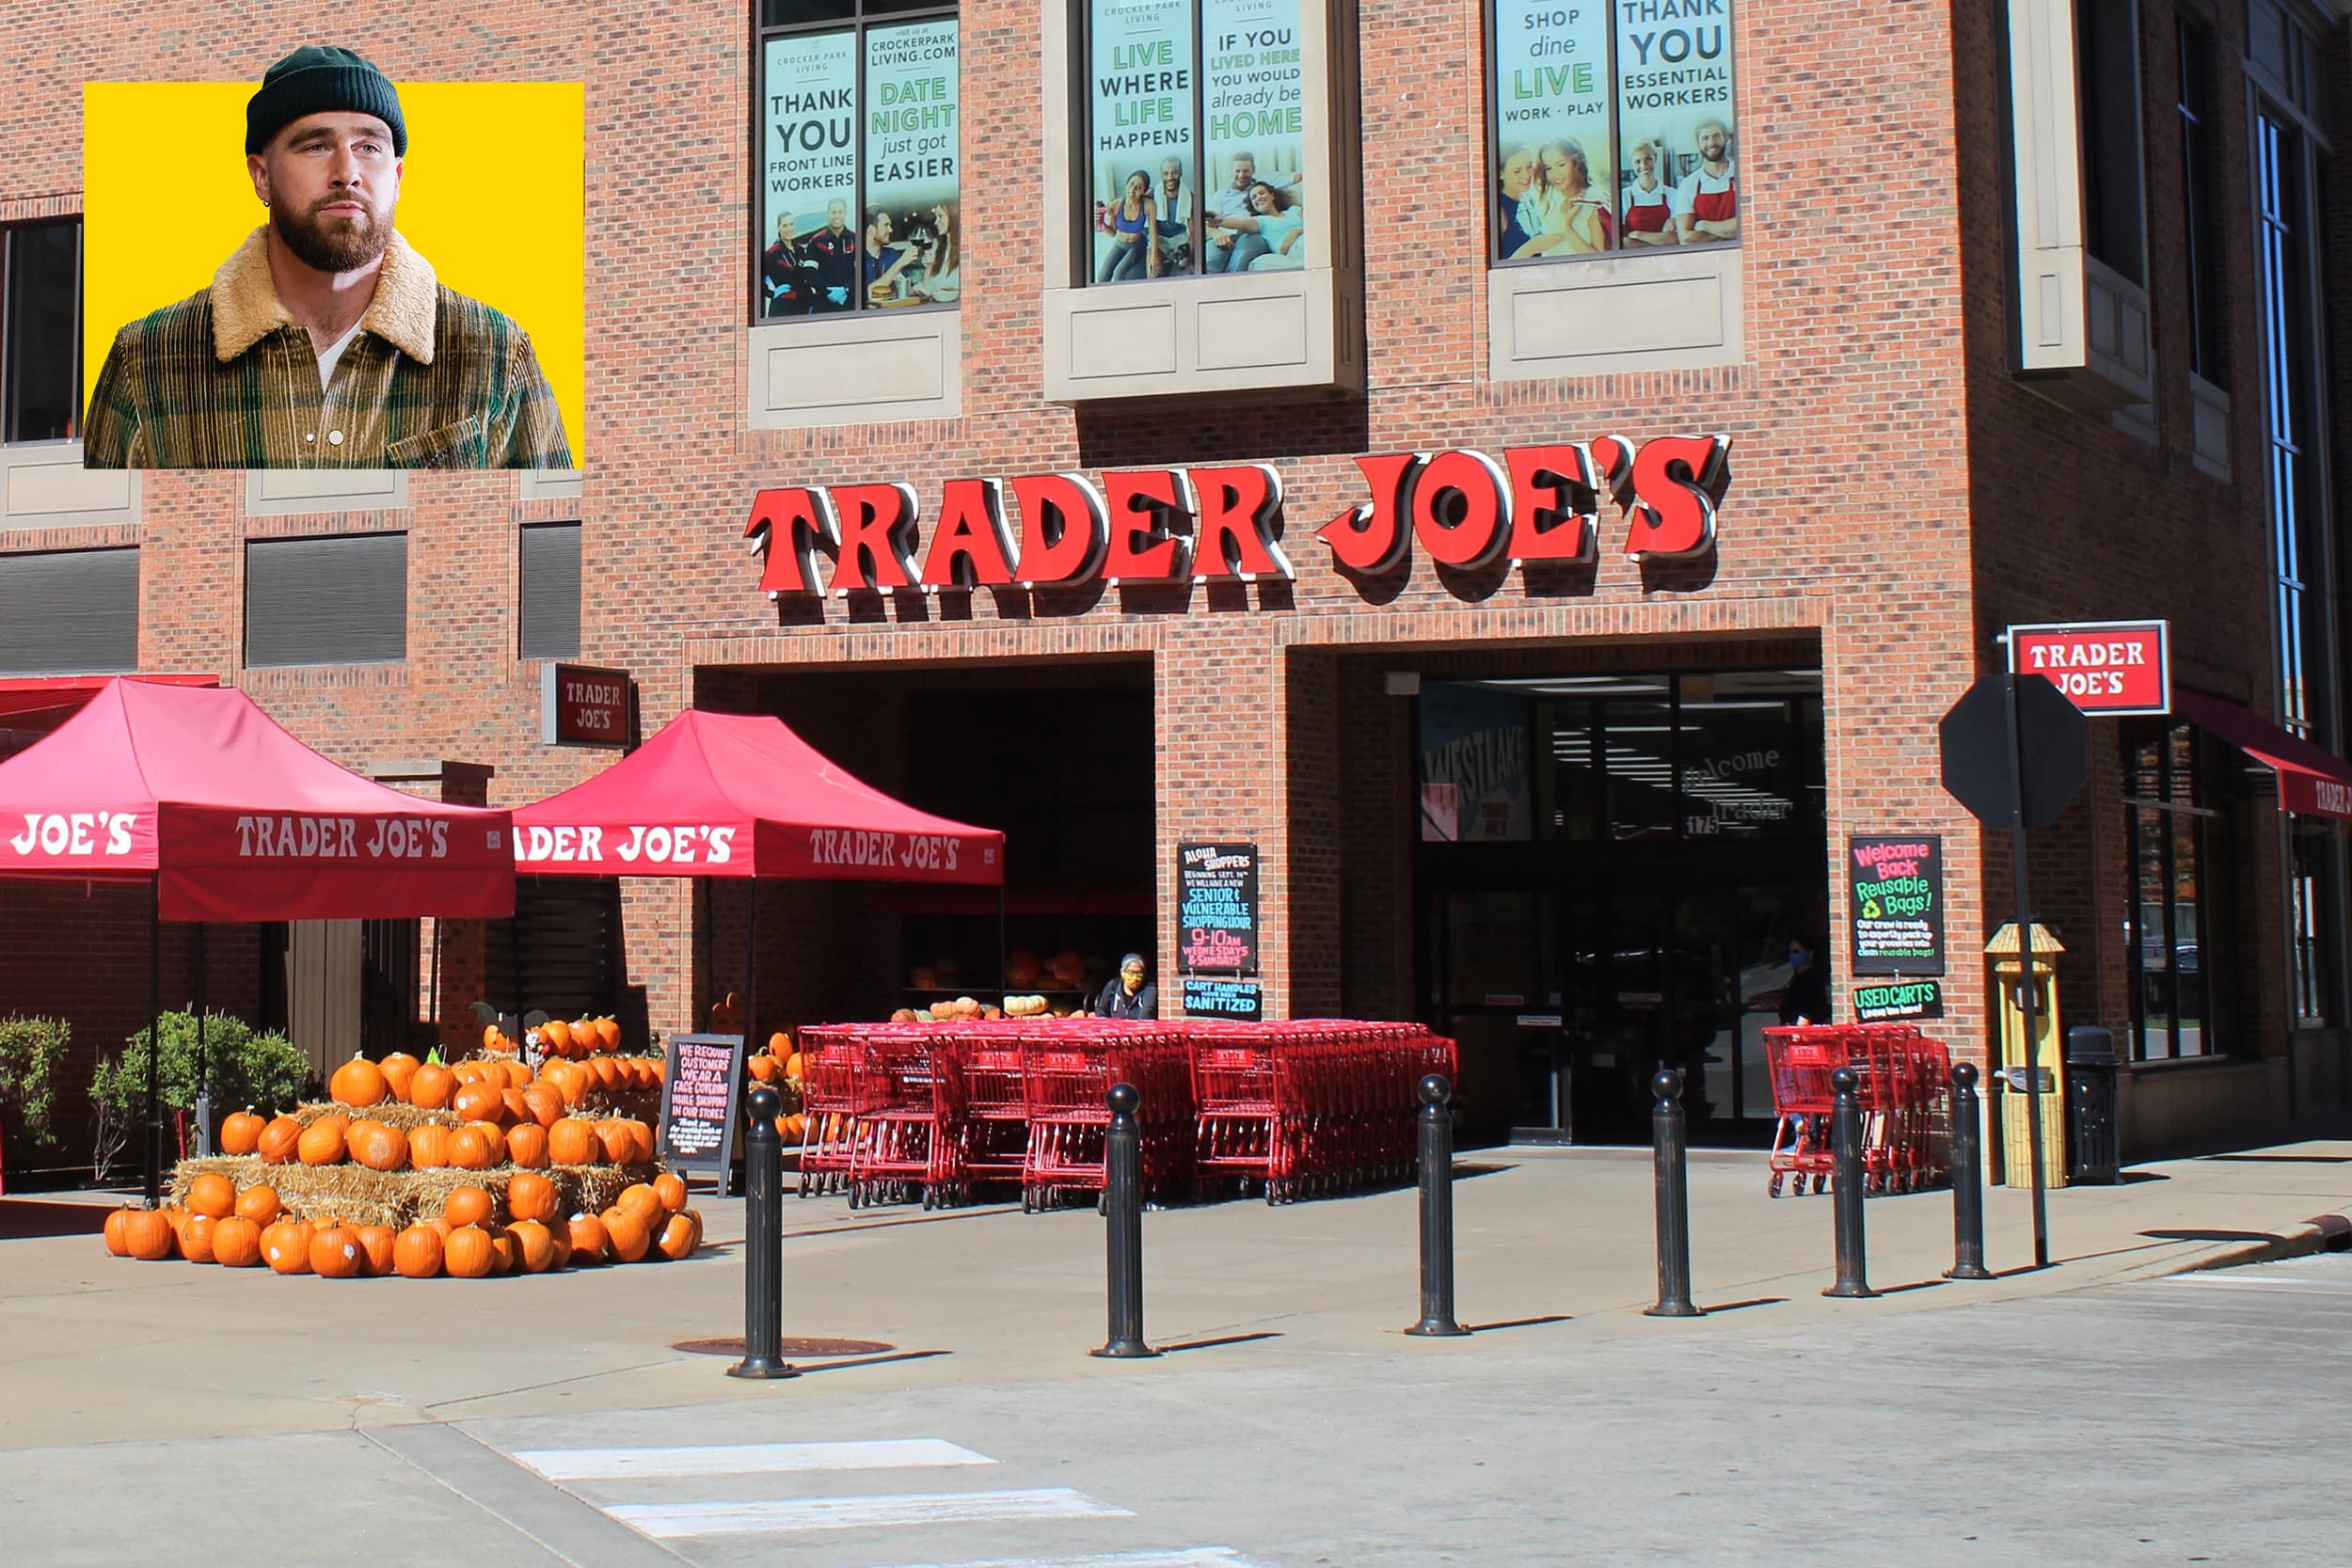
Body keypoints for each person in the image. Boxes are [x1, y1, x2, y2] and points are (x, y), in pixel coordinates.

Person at [82, 45, 570, 469]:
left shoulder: (496, 353)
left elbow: (554, 542)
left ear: (397, 176)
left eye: (369, 147)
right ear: (261, 177)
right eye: (316, 146)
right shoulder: (147, 359)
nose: (347, 172)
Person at [1519, 139, 1612, 258]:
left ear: (1575, 163)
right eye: (1548, 168)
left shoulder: (1592, 199)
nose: (1555, 174)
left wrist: (1567, 229)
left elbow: (1599, 260)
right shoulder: (1548, 201)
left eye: (1561, 164)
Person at [1674, 118, 1739, 244]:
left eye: (1716, 136)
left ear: (1726, 138)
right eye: (1705, 138)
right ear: (1698, 144)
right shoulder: (1688, 185)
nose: (1711, 142)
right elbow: (1686, 238)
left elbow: (1747, 225)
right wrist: (1729, 233)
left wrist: (1703, 225)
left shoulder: (1742, 175)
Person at [1203, 151, 1267, 273]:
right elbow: (1206, 223)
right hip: (1224, 235)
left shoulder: (1259, 191)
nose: (1241, 175)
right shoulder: (1221, 194)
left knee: (1239, 262)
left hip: (1249, 234)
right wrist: (1215, 233)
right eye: (1237, 171)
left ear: (1253, 170)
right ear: (1231, 171)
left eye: (1246, 171)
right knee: (1209, 262)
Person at [1097, 169, 1159, 282]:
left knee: (1118, 274)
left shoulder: (1149, 206)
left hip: (1136, 246)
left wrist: (1154, 255)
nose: (1133, 189)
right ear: (1126, 184)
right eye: (1131, 184)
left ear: (1143, 191)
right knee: (1102, 277)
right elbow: (1112, 233)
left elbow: (1154, 231)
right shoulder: (1116, 204)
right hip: (1119, 245)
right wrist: (1101, 224)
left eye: (1139, 187)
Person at [803, 198, 859, 311]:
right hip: (823, 302)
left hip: (850, 302)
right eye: (833, 212)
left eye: (840, 212)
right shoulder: (816, 241)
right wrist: (829, 291)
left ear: (845, 214)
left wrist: (845, 289)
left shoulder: (855, 239)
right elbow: (809, 273)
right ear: (828, 214)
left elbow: (861, 271)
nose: (837, 216)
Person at [1620, 138, 1678, 247]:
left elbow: (1674, 239)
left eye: (1648, 159)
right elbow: (1623, 243)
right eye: (1638, 161)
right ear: (1632, 164)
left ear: (1655, 159)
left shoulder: (1672, 194)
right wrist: (1660, 238)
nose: (1644, 165)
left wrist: (1637, 235)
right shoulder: (1623, 197)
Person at [862, 206, 919, 304]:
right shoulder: (857, 259)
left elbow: (909, 290)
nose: (891, 230)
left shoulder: (892, 254)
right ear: (871, 230)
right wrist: (900, 263)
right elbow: (869, 293)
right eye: (886, 225)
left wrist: (929, 269)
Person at [909, 198, 960, 304]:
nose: (936, 222)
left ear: (953, 216)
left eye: (940, 216)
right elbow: (927, 290)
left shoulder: (965, 250)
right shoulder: (938, 249)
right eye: (936, 217)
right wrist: (928, 268)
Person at [761, 213, 810, 316]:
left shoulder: (801, 251)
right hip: (782, 309)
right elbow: (756, 282)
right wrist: (772, 293)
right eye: (785, 225)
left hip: (804, 307)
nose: (789, 229)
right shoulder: (772, 254)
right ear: (778, 228)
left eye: (791, 224)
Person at [1496, 143, 1536, 259]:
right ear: (1501, 173)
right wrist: (1532, 247)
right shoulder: (1499, 211)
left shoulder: (1530, 201)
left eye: (1529, 166)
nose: (1526, 175)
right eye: (1517, 171)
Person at [1154, 157, 1194, 273]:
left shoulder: (1190, 197)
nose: (1170, 177)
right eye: (1166, 173)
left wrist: (1189, 255)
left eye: (1174, 173)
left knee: (1188, 270)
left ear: (1181, 173)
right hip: (1160, 238)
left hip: (1180, 238)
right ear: (1161, 175)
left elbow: (1193, 231)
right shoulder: (1153, 194)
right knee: (1154, 269)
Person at [1778, 938, 1831, 1025]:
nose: (1792, 955)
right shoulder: (1795, 979)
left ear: (1809, 954)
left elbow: (1809, 1008)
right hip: (1789, 1028)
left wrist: (1798, 1030)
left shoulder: (1814, 979)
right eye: (1791, 952)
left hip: (1804, 1032)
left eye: (1796, 951)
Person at [1095, 953, 1158, 1020]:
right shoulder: (1113, 986)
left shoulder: (1149, 990)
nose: (1135, 977)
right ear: (1122, 972)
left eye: (1139, 973)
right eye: (1131, 972)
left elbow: (1146, 1014)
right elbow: (1101, 1010)